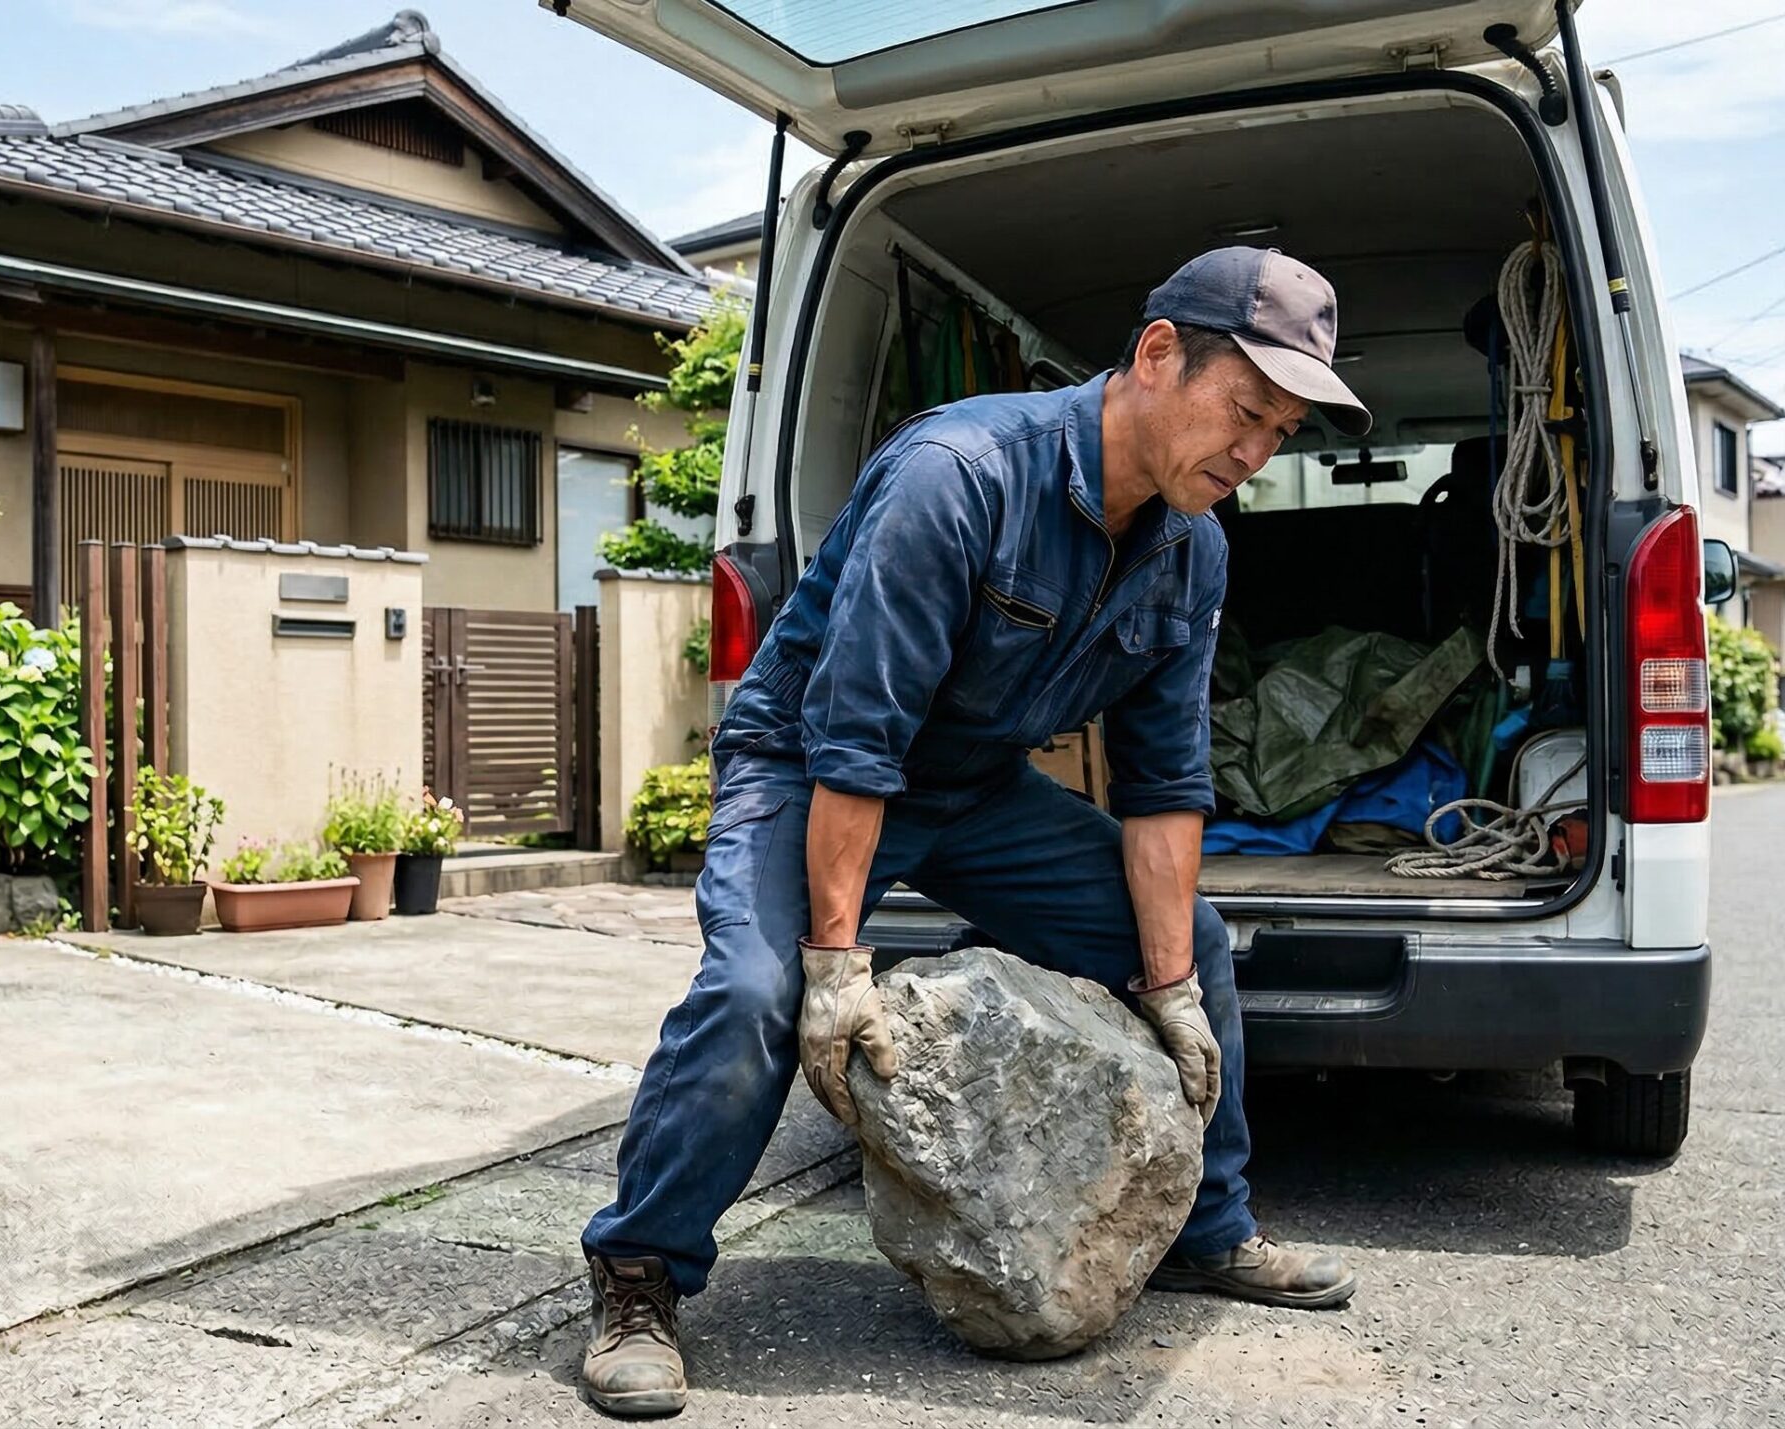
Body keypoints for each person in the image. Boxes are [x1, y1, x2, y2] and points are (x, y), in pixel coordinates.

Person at [573, 247, 1374, 1418]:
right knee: (756, 993)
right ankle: (639, 1273)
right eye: (1244, 412)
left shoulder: (1192, 545)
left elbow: (1163, 783)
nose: (1254, 453)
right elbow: (853, 733)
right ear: (1157, 355)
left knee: (1192, 947)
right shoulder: (957, 475)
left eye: (1281, 431)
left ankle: (1209, 1232)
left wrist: (1168, 988)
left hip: (974, 789)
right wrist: (838, 971)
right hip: (811, 765)